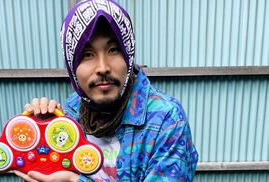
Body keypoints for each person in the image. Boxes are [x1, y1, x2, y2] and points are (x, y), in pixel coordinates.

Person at [14, 0, 198, 181]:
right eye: (87, 54)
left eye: (113, 50)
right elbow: (52, 170)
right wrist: (44, 135)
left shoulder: (166, 120)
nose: (102, 67)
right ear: (72, 65)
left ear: (128, 55)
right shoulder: (71, 111)